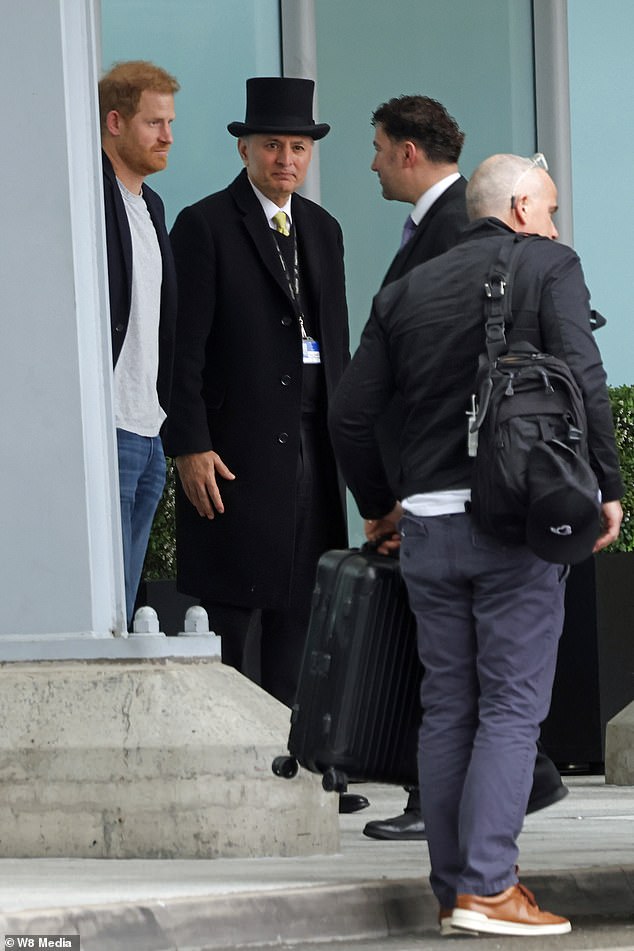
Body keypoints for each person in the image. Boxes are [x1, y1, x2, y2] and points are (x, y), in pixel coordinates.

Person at [328, 152, 622, 935]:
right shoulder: (548, 266)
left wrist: (380, 506)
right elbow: (585, 378)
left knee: (449, 704)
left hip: (425, 523)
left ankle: (456, 885)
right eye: (550, 208)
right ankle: (489, 887)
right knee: (513, 704)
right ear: (521, 206)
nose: (555, 225)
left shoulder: (404, 292)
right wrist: (611, 485)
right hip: (515, 521)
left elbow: (350, 416)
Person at [364, 95, 567, 842]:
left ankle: (471, 870)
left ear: (410, 152)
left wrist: (389, 493)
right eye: (547, 210)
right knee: (497, 695)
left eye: (379, 146)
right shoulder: (481, 240)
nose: (374, 161)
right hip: (480, 498)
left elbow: (368, 405)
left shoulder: (457, 235)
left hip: (460, 496)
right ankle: (483, 874)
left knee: (468, 693)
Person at [164, 77, 353, 723]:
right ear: (244, 150)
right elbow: (181, 352)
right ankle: (244, 758)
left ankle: (297, 770)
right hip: (235, 454)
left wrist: (351, 455)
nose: (286, 160)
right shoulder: (205, 224)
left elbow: (338, 349)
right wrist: (190, 445)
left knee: (303, 613)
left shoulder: (324, 230)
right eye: (272, 144)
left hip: (313, 449)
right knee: (236, 613)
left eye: (298, 146)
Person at [99, 60, 179, 628]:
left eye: (169, 122)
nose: (168, 136)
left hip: (149, 428)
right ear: (114, 122)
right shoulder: (88, 202)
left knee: (126, 607)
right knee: (103, 607)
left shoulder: (152, 206)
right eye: (154, 123)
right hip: (109, 425)